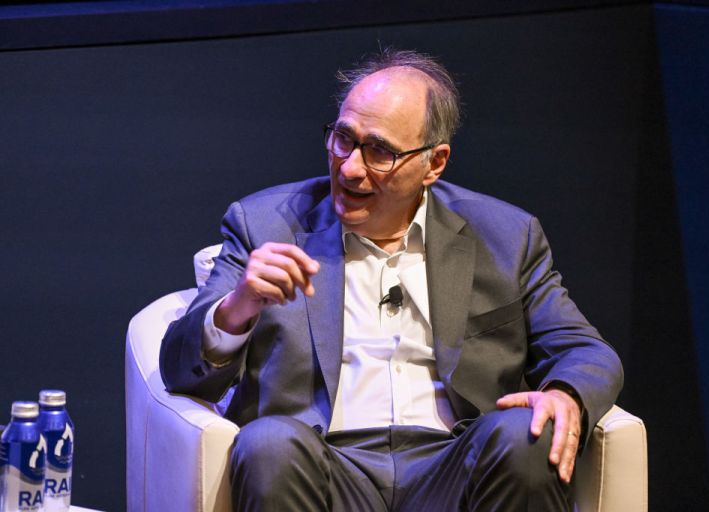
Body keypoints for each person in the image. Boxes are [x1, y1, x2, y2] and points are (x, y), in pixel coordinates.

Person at [160, 49, 623, 511]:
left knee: (527, 434)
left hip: (454, 466)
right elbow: (181, 373)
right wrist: (237, 307)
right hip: (324, 464)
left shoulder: (505, 235)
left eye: (380, 151)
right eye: (343, 139)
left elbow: (584, 351)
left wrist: (565, 394)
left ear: (434, 163)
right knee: (268, 443)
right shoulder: (264, 224)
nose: (350, 168)